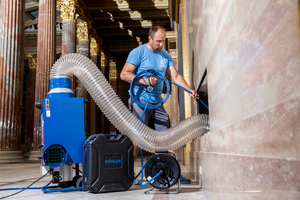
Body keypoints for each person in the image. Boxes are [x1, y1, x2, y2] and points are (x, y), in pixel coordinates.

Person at [120, 26, 199, 184]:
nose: (161, 44)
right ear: (150, 39)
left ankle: (169, 173)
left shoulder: (165, 55)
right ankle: (125, 175)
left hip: (157, 101)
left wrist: (189, 89)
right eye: (158, 41)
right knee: (137, 137)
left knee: (164, 138)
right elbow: (124, 74)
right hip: (140, 100)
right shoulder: (139, 52)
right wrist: (144, 81)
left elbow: (175, 76)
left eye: (163, 41)